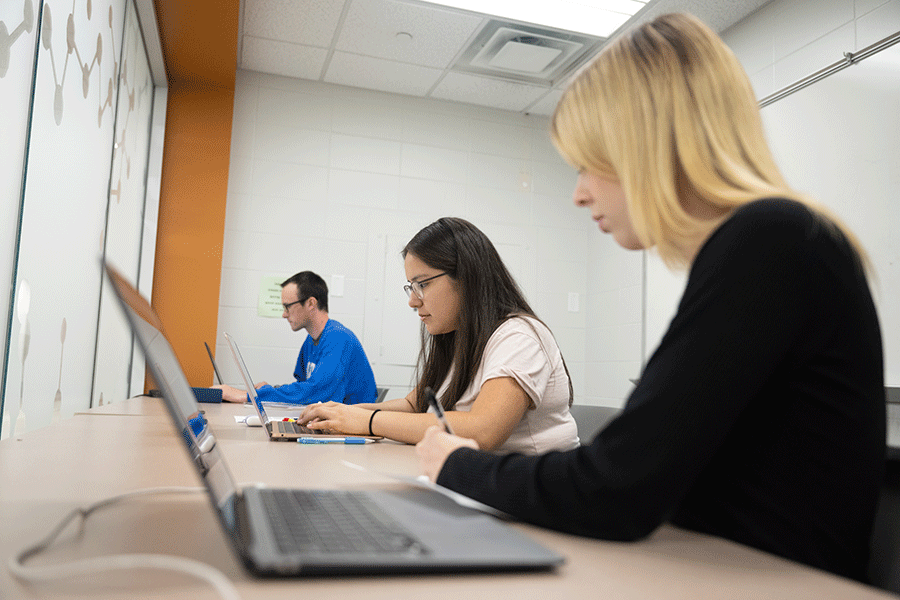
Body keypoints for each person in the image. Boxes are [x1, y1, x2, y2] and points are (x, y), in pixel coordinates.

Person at [415, 13, 885, 583]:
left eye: (590, 164)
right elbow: (634, 475)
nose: (579, 194)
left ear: (650, 147)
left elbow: (613, 489)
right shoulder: (767, 242)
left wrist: (456, 465)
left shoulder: (770, 240)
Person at [297, 217, 579, 454]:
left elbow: (483, 430)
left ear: (467, 277)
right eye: (411, 287)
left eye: (422, 284)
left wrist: (366, 420)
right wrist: (342, 412)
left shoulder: (518, 337)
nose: (413, 301)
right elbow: (413, 405)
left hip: (531, 497)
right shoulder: (461, 338)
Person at [214, 271, 377, 405]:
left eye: (288, 307)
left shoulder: (338, 338)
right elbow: (303, 387)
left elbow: (316, 391)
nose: (284, 314)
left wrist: (249, 395)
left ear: (311, 303)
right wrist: (273, 390)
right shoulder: (311, 341)